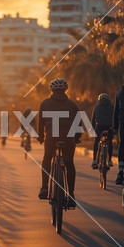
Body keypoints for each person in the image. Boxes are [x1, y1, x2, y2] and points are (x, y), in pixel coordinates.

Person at [37, 78, 80, 208]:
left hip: (51, 137)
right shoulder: (73, 105)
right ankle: (71, 195)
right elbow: (78, 123)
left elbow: (41, 123)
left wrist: (41, 137)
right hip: (68, 138)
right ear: (65, 90)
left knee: (47, 158)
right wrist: (77, 137)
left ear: (52, 90)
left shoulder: (44, 103)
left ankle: (44, 187)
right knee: (69, 164)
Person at [91, 93, 114, 169]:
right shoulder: (112, 107)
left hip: (99, 127)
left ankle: (94, 160)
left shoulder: (96, 107)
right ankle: (110, 160)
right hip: (109, 127)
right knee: (110, 141)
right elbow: (114, 118)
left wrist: (93, 128)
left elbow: (93, 120)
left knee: (96, 141)